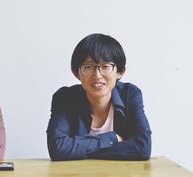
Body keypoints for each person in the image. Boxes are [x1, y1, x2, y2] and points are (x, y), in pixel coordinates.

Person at [47, 33, 152, 161]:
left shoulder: (130, 95)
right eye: (88, 67)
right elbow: (57, 149)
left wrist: (80, 151)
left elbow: (142, 149)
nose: (97, 75)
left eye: (106, 66)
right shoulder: (65, 98)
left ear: (120, 72)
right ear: (76, 73)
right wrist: (111, 140)